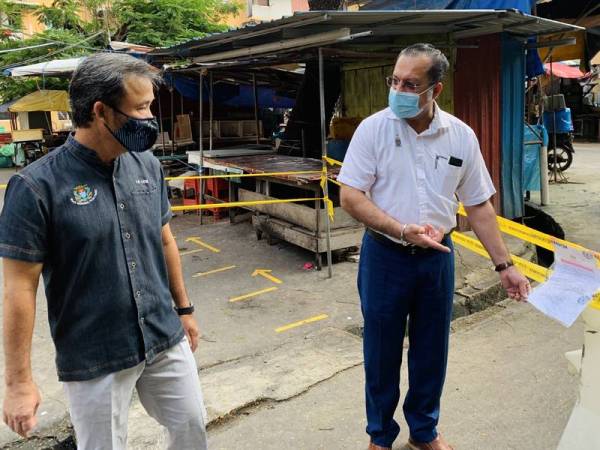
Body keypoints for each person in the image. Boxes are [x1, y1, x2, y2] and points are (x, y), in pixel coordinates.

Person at [0, 53, 207, 449]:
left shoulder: (146, 165)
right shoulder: (36, 187)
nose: (150, 118)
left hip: (162, 334)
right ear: (101, 112)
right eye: (141, 108)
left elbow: (164, 239)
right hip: (95, 354)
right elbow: (18, 289)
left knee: (191, 428)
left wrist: (184, 309)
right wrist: (19, 382)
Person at [338, 43, 531, 450]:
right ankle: (380, 437)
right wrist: (400, 228)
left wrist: (505, 265)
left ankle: (423, 432)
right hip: (385, 257)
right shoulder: (373, 129)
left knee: (431, 351)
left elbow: (479, 205)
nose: (398, 90)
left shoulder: (460, 136)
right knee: (381, 352)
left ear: (435, 90)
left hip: (436, 262)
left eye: (410, 84)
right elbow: (351, 196)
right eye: (394, 80)